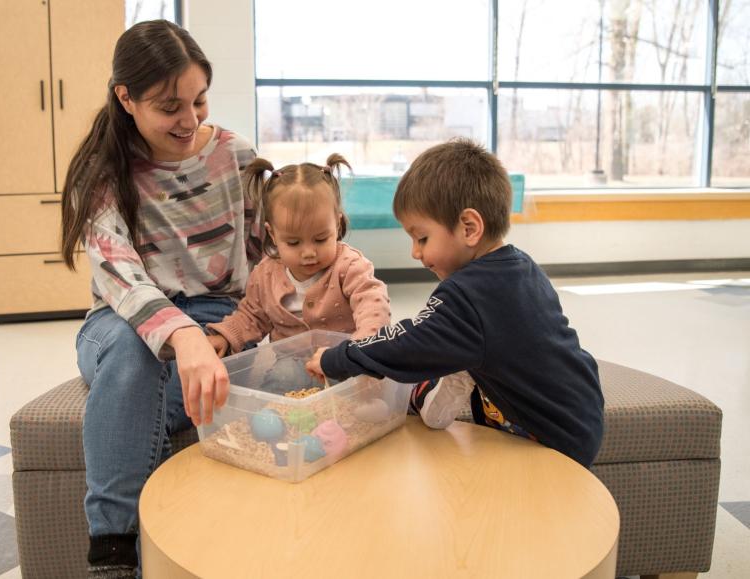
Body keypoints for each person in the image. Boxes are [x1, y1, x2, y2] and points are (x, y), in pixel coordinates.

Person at [60, 20, 261, 578]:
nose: (191, 119)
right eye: (170, 106)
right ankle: (114, 555)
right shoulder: (102, 171)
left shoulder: (234, 156)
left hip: (219, 320)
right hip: (120, 323)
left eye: (199, 101)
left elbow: (273, 260)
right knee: (131, 357)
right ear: (126, 97)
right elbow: (119, 276)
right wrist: (182, 334)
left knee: (180, 384)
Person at [306, 139, 604, 468]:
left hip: (547, 438)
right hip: (581, 414)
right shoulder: (520, 265)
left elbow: (408, 342)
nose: (415, 253)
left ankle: (450, 373)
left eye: (422, 238)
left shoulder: (466, 295)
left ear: (469, 228)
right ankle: (457, 369)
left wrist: (338, 358)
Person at [206, 154, 391, 377]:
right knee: (278, 384)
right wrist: (225, 335)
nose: (309, 253)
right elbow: (252, 316)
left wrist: (360, 348)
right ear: (272, 234)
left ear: (337, 223)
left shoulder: (350, 266)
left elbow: (373, 306)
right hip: (292, 366)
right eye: (293, 242)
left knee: (371, 406)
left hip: (343, 363)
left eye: (321, 239)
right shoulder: (265, 274)